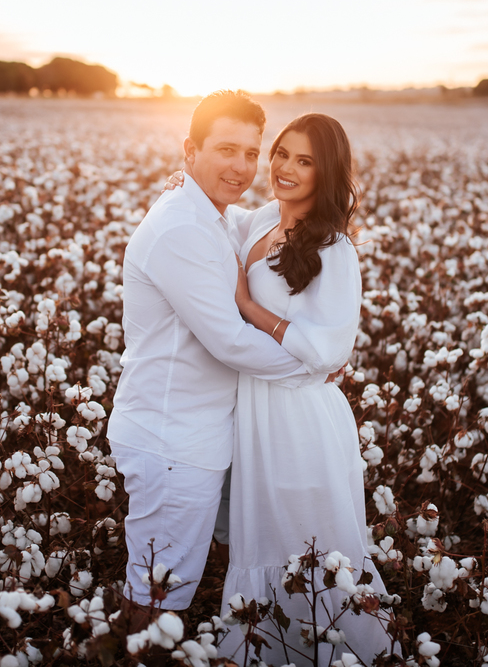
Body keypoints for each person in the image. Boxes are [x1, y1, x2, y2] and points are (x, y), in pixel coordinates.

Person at [106, 90, 311, 619]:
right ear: (190, 150)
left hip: (197, 434)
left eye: (251, 153)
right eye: (225, 150)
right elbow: (229, 340)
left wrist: (314, 186)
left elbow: (259, 219)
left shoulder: (210, 215)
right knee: (156, 598)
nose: (241, 167)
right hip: (171, 440)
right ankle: (130, 653)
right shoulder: (182, 227)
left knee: (174, 585)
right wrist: (313, 364)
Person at [218, 113, 395, 666]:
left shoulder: (334, 248)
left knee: (311, 544)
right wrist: (183, 182)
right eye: (281, 154)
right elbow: (214, 217)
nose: (285, 169)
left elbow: (328, 351)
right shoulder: (261, 219)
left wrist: (249, 308)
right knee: (265, 542)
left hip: (300, 418)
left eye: (304, 161)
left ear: (327, 172)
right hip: (258, 410)